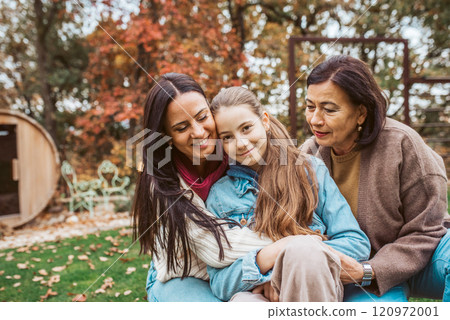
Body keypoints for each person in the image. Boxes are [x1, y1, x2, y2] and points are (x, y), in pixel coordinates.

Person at [301, 55, 449, 302]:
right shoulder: (308, 154)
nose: (315, 119)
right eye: (310, 106)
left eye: (329, 109)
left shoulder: (403, 144)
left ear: (361, 113)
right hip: (349, 271)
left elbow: (426, 230)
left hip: (422, 259)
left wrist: (370, 271)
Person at [204, 86, 370, 302]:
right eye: (227, 137)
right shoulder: (220, 196)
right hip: (256, 295)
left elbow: (355, 242)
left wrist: (282, 271)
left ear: (264, 121)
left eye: (246, 128)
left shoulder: (310, 170)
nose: (241, 143)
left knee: (303, 252)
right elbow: (220, 283)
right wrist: (262, 265)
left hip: (311, 286)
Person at [133, 73, 273, 302]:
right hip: (183, 276)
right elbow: (217, 249)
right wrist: (288, 244)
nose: (198, 132)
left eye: (202, 116)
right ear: (166, 136)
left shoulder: (235, 149)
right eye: (181, 128)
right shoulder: (160, 181)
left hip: (238, 270)